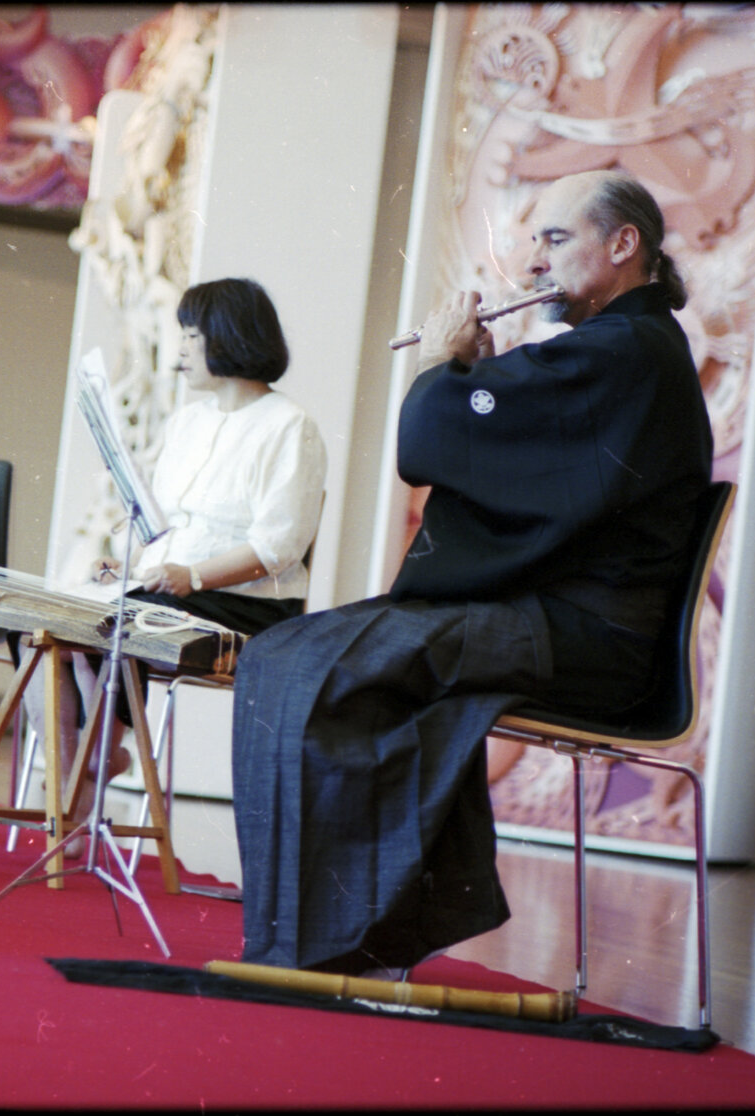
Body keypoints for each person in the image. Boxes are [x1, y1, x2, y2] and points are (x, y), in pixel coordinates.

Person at [230, 169, 713, 978]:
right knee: (293, 654)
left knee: (307, 660)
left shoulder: (625, 348)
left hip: (583, 637)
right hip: (557, 623)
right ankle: (357, 924)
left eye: (554, 239)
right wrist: (474, 379)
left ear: (623, 244)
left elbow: (431, 445)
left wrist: (440, 367)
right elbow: (520, 467)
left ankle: (345, 933)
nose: (533, 262)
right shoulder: (625, 348)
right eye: (533, 242)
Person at [44, 278, 327, 836]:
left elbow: (278, 547)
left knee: (112, 624)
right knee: (47, 621)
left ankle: (84, 783)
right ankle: (87, 766)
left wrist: (192, 576)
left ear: (230, 336)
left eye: (191, 335)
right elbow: (159, 527)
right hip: (170, 590)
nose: (181, 349)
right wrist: (123, 565)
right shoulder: (186, 422)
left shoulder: (290, 426)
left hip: (244, 604)